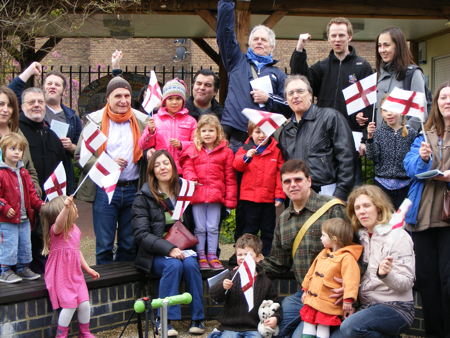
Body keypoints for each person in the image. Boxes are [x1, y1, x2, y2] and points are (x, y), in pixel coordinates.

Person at [259, 159, 347, 337]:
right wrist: (251, 267)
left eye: (298, 180)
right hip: (304, 295)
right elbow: (279, 262)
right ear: (282, 186)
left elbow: (353, 252)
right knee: (270, 329)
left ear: (309, 181)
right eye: (287, 181)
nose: (293, 185)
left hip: (331, 295)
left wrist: (349, 288)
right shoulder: (283, 219)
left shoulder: (332, 209)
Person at [289, 18, 373, 184]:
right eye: (333, 35)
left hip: (351, 138)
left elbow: (370, 106)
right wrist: (299, 49)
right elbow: (300, 77)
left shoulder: (362, 67)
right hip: (324, 138)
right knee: (325, 191)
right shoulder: (322, 67)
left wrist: (365, 138)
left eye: (341, 35)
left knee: (351, 190)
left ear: (349, 37)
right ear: (328, 38)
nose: (337, 39)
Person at [75, 76, 148, 264]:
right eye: (118, 96)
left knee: (128, 243)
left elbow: (150, 149)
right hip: (105, 189)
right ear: (108, 98)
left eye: (127, 95)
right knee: (105, 244)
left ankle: (122, 286)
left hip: (134, 188)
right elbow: (81, 156)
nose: (123, 100)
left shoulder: (142, 121)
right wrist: (108, 163)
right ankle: (104, 286)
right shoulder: (95, 121)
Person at [131, 150, 205, 336]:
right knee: (173, 265)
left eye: (166, 163)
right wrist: (169, 248)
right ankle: (164, 320)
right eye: (157, 165)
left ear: (173, 166)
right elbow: (141, 234)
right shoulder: (143, 197)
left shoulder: (184, 191)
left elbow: (194, 225)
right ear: (152, 171)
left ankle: (198, 318)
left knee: (190, 264)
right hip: (153, 255)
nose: (162, 167)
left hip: (183, 250)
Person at [403, 82, 450, 337]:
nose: (447, 101)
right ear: (437, 104)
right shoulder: (424, 134)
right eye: (443, 97)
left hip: (448, 223)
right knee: (427, 282)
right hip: (422, 219)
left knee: (447, 282)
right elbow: (409, 168)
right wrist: (421, 158)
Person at [339, 185, 415, 337]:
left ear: (379, 208)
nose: (362, 211)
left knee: (350, 328)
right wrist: (348, 288)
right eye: (357, 208)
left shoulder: (399, 237)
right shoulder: (360, 237)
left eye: (367, 205)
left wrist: (386, 274)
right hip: (367, 305)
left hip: (396, 307)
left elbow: (406, 283)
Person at [216, 0, 291, 151]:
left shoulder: (278, 74)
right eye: (255, 39)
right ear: (250, 44)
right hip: (234, 134)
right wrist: (227, 3)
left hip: (263, 137)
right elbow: (225, 33)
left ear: (271, 47)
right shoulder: (236, 61)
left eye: (263, 40)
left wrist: (268, 99)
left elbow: (290, 105)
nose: (259, 42)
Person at [277, 75, 355, 201]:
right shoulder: (286, 132)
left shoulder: (330, 118)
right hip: (299, 198)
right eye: (290, 93)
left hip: (329, 196)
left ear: (310, 95)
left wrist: (340, 194)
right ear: (286, 99)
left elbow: (347, 158)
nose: (295, 96)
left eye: (300, 91)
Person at [9, 62, 82, 194]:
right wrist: (29, 71)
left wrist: (71, 146)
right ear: (43, 88)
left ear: (63, 90)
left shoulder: (72, 117)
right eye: (49, 83)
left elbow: (81, 150)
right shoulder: (27, 114)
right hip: (29, 180)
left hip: (57, 179)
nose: (53, 86)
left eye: (57, 84)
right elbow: (10, 95)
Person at [19, 87, 69, 273]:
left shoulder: (51, 135)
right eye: (31, 102)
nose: (37, 105)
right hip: (28, 206)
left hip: (51, 205)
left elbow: (64, 169)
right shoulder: (18, 133)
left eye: (40, 102)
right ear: (22, 106)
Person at [180, 114, 237, 270]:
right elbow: (187, 167)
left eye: (211, 130)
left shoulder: (226, 152)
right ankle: (201, 255)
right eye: (204, 130)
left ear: (218, 132)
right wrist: (191, 177)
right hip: (198, 195)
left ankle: (212, 254)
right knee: (200, 228)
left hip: (216, 196)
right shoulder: (193, 149)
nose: (207, 134)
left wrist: (230, 200)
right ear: (199, 133)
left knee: (212, 227)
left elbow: (230, 177)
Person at [41, 195, 100, 338]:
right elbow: (60, 222)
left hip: (75, 274)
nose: (75, 207)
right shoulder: (57, 230)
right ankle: (61, 335)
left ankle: (84, 332)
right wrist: (66, 207)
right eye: (72, 206)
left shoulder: (76, 230)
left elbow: (76, 251)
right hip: (61, 275)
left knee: (84, 304)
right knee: (70, 306)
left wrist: (87, 268)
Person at [209, 234, 281, 338]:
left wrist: (275, 318)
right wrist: (222, 287)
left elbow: (275, 304)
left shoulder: (265, 282)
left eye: (247, 255)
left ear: (259, 257)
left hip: (253, 327)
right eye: (240, 254)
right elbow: (215, 296)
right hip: (230, 327)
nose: (243, 258)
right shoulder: (231, 276)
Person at [300, 218, 362, 338]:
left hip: (328, 301)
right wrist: (305, 289)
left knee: (323, 326)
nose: (320, 238)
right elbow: (311, 272)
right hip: (312, 300)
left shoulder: (347, 258)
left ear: (334, 238)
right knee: (308, 323)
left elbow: (351, 280)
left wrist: (348, 300)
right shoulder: (323, 253)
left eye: (323, 235)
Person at [232, 121, 284, 256]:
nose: (261, 135)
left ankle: (265, 257)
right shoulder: (245, 148)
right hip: (248, 199)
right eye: (257, 132)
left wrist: (279, 195)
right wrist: (246, 157)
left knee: (268, 230)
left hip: (267, 200)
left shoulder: (276, 151)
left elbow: (280, 175)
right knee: (248, 230)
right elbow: (237, 165)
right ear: (250, 133)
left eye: (265, 132)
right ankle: (245, 256)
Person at [0, 133, 44, 283]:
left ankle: (22, 267)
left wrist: (40, 205)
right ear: (3, 150)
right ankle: (4, 270)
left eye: (20, 150)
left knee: (25, 244)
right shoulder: (1, 173)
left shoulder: (24, 173)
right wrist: (4, 207)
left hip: (24, 218)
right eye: (13, 148)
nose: (17, 152)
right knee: (9, 244)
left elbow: (31, 193)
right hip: (6, 219)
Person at [366, 96, 417, 209]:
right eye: (385, 110)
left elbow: (414, 160)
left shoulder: (411, 133)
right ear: (381, 113)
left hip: (405, 185)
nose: (389, 113)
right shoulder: (378, 133)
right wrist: (370, 138)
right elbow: (372, 157)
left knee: (401, 220)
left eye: (393, 108)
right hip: (382, 185)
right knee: (384, 221)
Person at [138, 78, 197, 173]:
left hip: (183, 171)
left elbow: (197, 145)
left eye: (178, 98)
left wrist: (182, 145)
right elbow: (142, 145)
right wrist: (150, 132)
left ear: (183, 101)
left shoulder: (191, 121)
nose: (174, 102)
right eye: (170, 99)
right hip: (161, 170)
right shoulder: (155, 119)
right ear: (164, 101)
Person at [376, 27, 428, 131]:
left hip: (403, 143)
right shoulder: (378, 76)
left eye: (386, 45)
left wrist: (404, 135)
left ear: (398, 46)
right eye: (379, 46)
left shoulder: (413, 74)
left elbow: (421, 112)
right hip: (380, 142)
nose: (382, 50)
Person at [0, 86, 40, 194]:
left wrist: (35, 193)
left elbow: (30, 170)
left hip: (22, 203)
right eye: (1, 104)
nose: (5, 109)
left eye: (9, 105)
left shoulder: (18, 133)